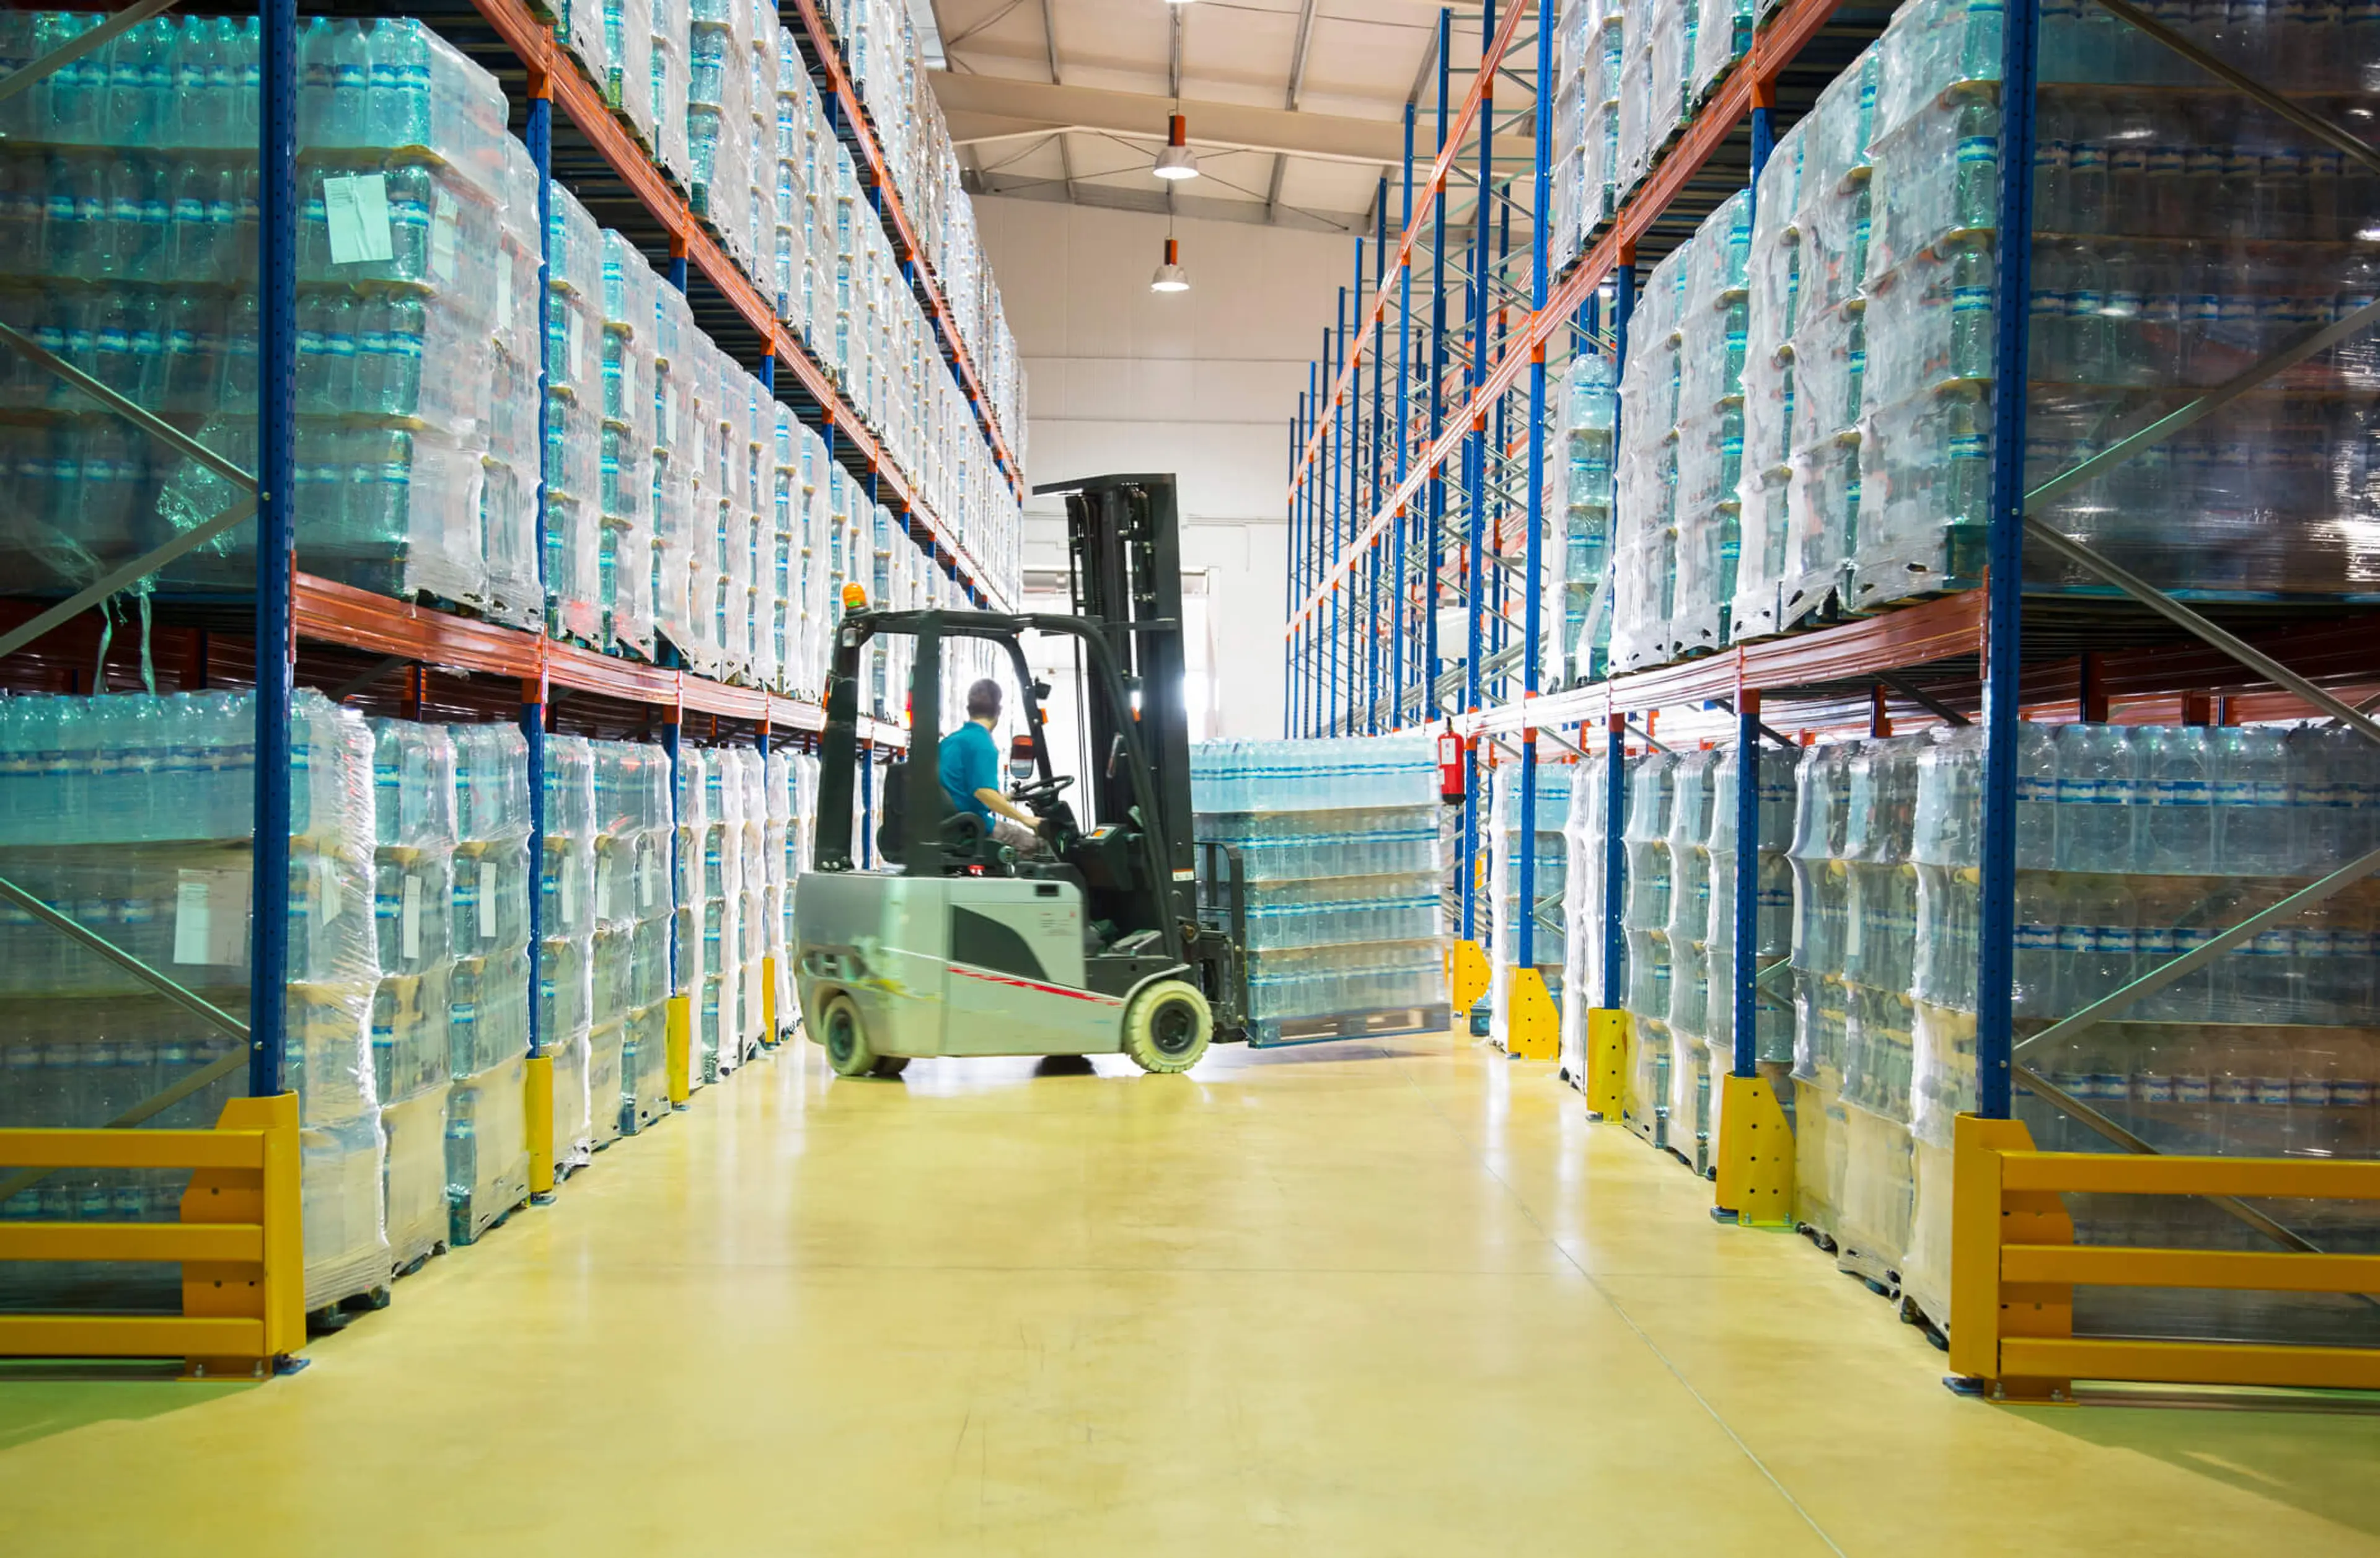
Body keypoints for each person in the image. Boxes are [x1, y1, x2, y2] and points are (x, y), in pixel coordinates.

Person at [939, 678, 1045, 856]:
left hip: (948, 825)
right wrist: (1025, 819)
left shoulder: (949, 742)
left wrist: (1005, 798)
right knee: (1039, 846)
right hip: (972, 827)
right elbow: (983, 792)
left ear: (969, 709)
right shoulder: (982, 744)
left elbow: (959, 789)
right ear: (999, 710)